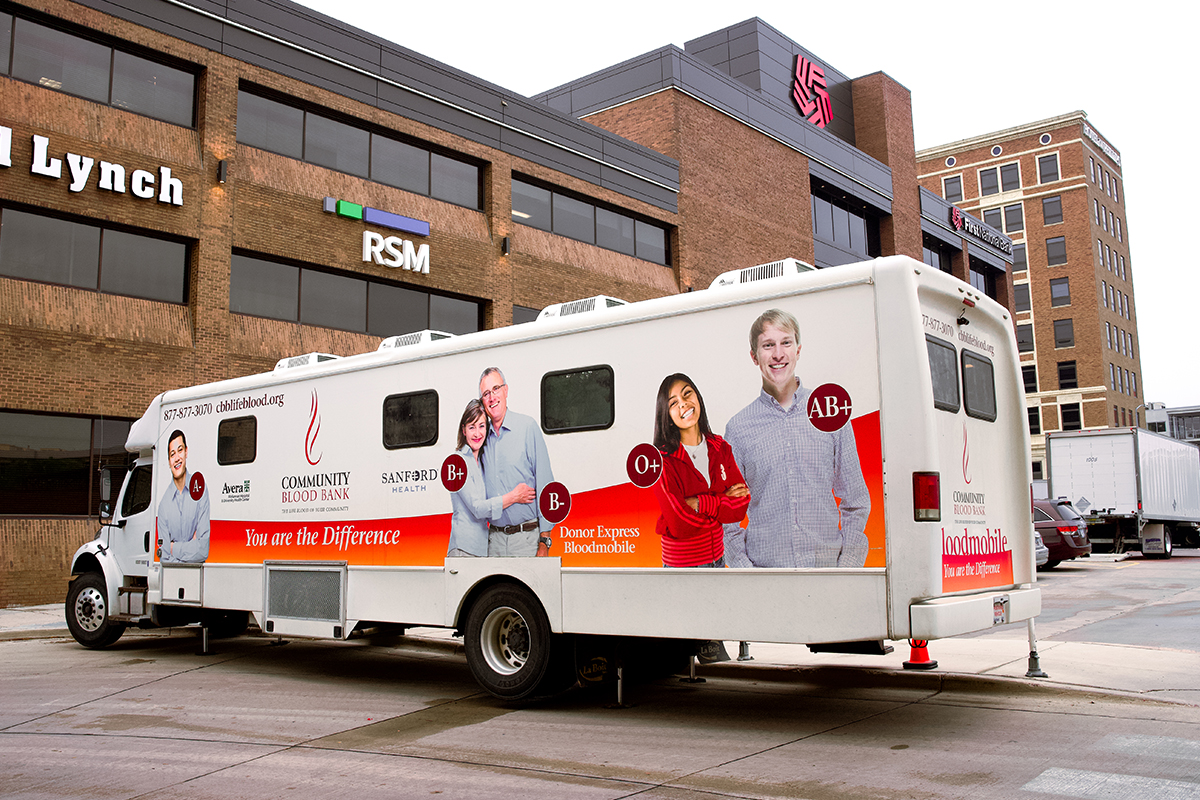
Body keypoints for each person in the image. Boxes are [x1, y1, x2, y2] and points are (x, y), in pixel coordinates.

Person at [723, 309, 870, 568]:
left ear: (798, 350)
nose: (778, 354)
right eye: (768, 345)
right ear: (754, 357)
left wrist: (847, 567)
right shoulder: (738, 429)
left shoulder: (830, 413)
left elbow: (856, 502)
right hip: (767, 581)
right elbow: (726, 518)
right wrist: (747, 573)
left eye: (786, 343)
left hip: (828, 576)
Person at [651, 374, 749, 568]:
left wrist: (699, 503)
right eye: (673, 403)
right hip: (682, 567)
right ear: (667, 416)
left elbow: (741, 504)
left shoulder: (720, 447)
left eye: (687, 394)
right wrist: (721, 503)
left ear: (698, 399)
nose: (684, 403)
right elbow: (679, 523)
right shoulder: (660, 460)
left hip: (718, 561)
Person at [478, 367, 555, 557]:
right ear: (482, 402)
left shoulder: (527, 427)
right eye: (486, 393)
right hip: (493, 540)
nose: (492, 397)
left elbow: (546, 485)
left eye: (496, 389)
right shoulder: (480, 439)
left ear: (506, 390)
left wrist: (544, 541)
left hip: (527, 539)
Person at [447, 399, 536, 558]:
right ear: (464, 430)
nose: (477, 433)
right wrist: (513, 497)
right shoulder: (457, 461)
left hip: (482, 548)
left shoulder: (480, 462)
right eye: (471, 427)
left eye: (481, 426)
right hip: (464, 547)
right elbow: (478, 508)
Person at [157, 429, 210, 563]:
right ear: (169, 461)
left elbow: (203, 549)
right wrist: (191, 548)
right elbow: (163, 555)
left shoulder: (200, 489)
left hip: (196, 576)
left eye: (180, 450)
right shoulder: (164, 505)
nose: (177, 458)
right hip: (173, 576)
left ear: (186, 452)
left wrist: (172, 547)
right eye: (172, 454)